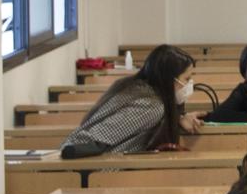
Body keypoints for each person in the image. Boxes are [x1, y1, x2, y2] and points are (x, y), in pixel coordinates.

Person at [60, 44, 205, 156]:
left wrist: (178, 118)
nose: (190, 83)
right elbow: (94, 139)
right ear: (168, 80)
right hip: (104, 174)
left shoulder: (136, 87)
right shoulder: (151, 106)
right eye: (186, 79)